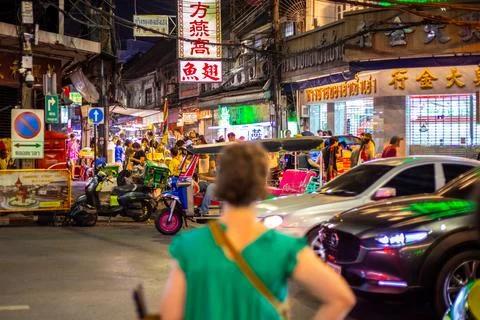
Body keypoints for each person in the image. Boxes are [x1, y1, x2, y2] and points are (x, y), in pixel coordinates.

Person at [160, 143, 356, 320]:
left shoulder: (191, 246)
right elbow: (341, 298)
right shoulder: (284, 248)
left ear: (219, 181)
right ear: (262, 183)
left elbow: (170, 314)